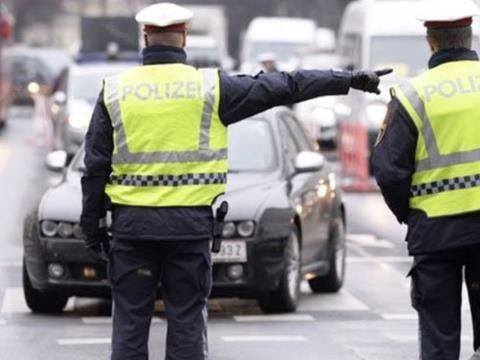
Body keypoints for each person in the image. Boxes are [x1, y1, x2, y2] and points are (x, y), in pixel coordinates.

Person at [80, 3, 391, 360]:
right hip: (189, 231)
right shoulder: (211, 89)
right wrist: (347, 80)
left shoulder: (115, 91)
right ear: (183, 37)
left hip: (132, 230)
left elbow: (95, 167)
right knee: (186, 323)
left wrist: (92, 228)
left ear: (145, 37)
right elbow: (284, 87)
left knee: (130, 326)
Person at [372, 0, 480, 359]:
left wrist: (412, 213)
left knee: (439, 338)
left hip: (435, 233)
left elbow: (389, 170)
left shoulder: (411, 95)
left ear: (430, 42)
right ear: (469, 38)